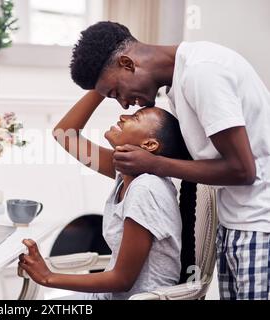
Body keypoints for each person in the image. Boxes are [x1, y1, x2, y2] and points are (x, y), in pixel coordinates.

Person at [69, 21, 270, 300]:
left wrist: (153, 164)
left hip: (260, 226)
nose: (124, 105)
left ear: (127, 63)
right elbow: (65, 136)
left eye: (116, 92)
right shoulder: (180, 84)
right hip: (236, 224)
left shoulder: (202, 72)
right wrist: (101, 79)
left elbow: (243, 170)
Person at [18, 96, 196, 299]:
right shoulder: (126, 173)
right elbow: (65, 135)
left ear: (149, 144)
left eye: (136, 117)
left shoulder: (146, 189)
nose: (123, 115)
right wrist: (102, 87)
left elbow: (122, 280)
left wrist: (48, 277)